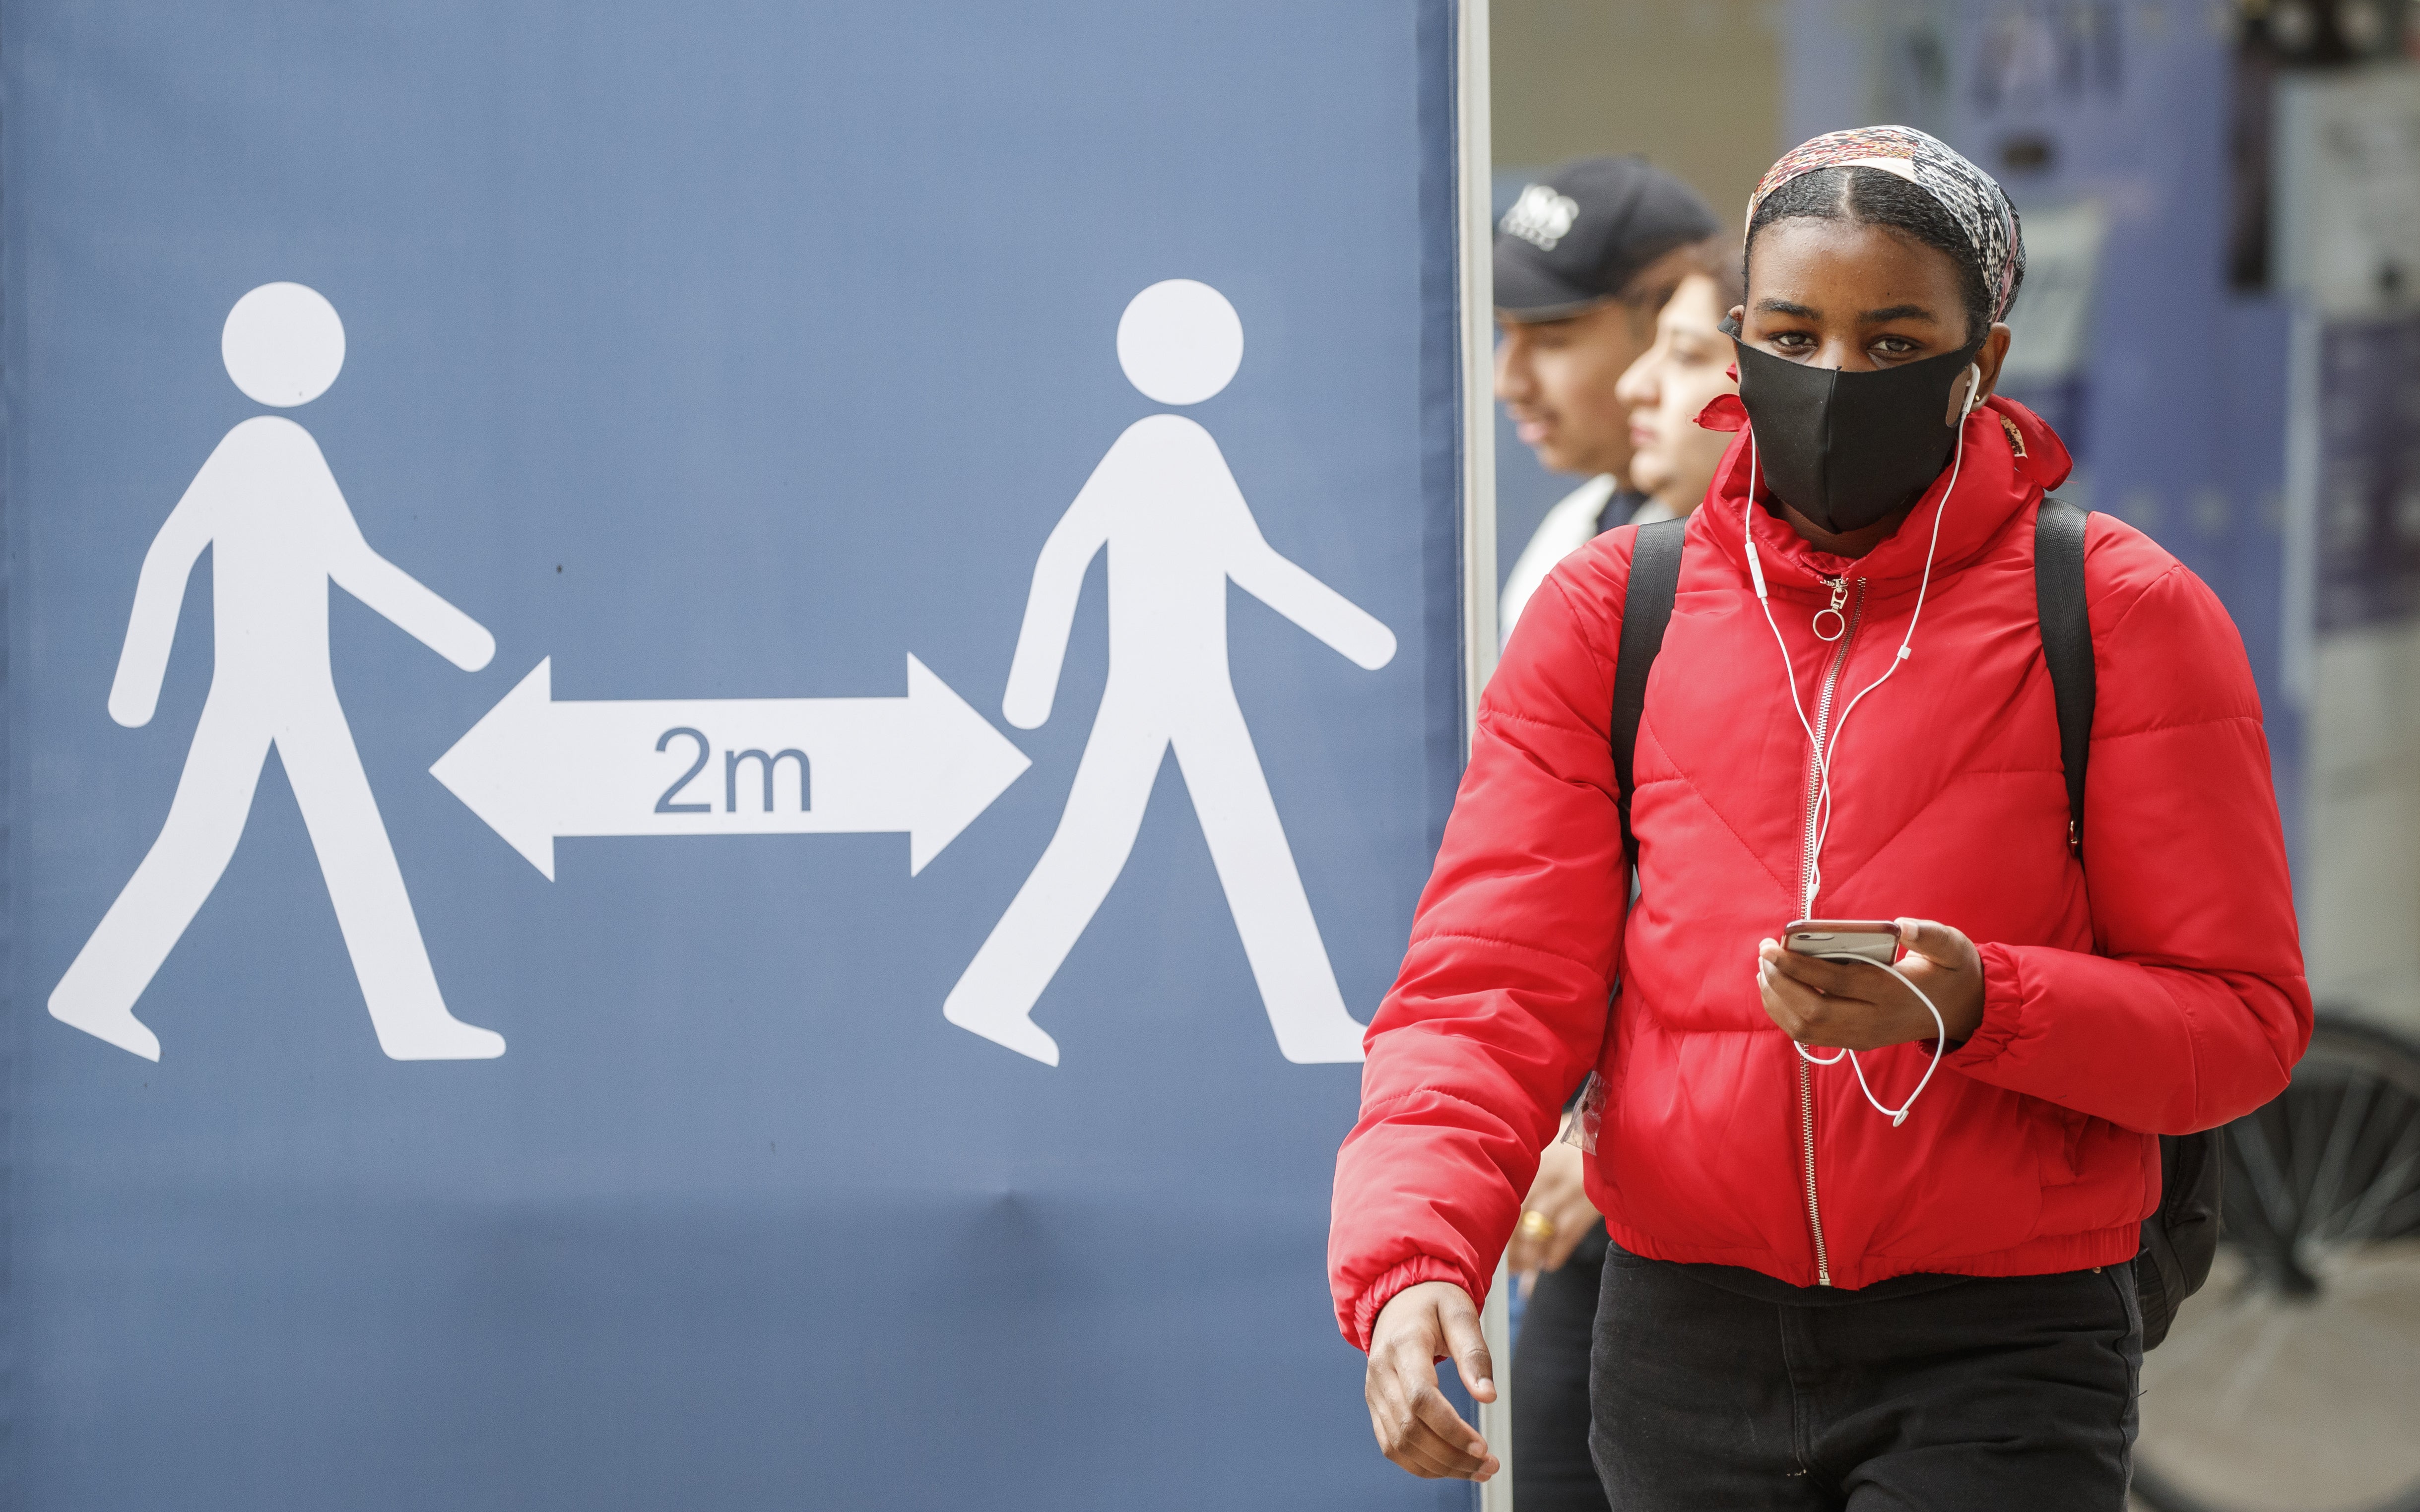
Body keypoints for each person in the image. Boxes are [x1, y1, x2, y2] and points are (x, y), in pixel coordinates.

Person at [1333, 126, 2310, 1507]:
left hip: (2001, 1349)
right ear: (1734, 344)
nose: (1837, 378)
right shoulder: (1611, 614)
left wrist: (1982, 1005)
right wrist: (1414, 1252)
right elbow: (1484, 987)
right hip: (1678, 1343)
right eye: (1790, 332)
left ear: (1983, 360)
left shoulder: (2118, 615)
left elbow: (2240, 1023)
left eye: (1896, 341)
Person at [944, 279, 1395, 1069]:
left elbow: (1242, 561)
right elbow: (1069, 552)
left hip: (1191, 685)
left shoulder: (1183, 447)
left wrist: (1348, 631)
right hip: (1157, 687)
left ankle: (1307, 1019)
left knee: (1223, 835)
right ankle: (992, 994)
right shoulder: (1162, 447)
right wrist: (1032, 686)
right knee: (1113, 841)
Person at [51, 282, 504, 1063]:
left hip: (289, 687)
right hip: (266, 687)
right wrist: (137, 686)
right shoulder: (267, 450)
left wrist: (454, 636)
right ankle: (97, 993)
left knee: (271, 839)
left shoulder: (277, 450)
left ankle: (408, 1022)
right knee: (284, 840)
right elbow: (179, 554)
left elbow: (340, 563)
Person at [1498, 240, 1746, 1512]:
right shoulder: (1602, 575)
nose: (1646, 386)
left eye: (1686, 350)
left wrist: (1601, 1150)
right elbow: (1506, 938)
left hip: (1739, 1227)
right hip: (1627, 1187)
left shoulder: (1839, 639)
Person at [1494, 158, 1719, 646]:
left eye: (1551, 339)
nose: (1507, 382)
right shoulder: (1573, 525)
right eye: (1503, 334)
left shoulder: (1772, 564)